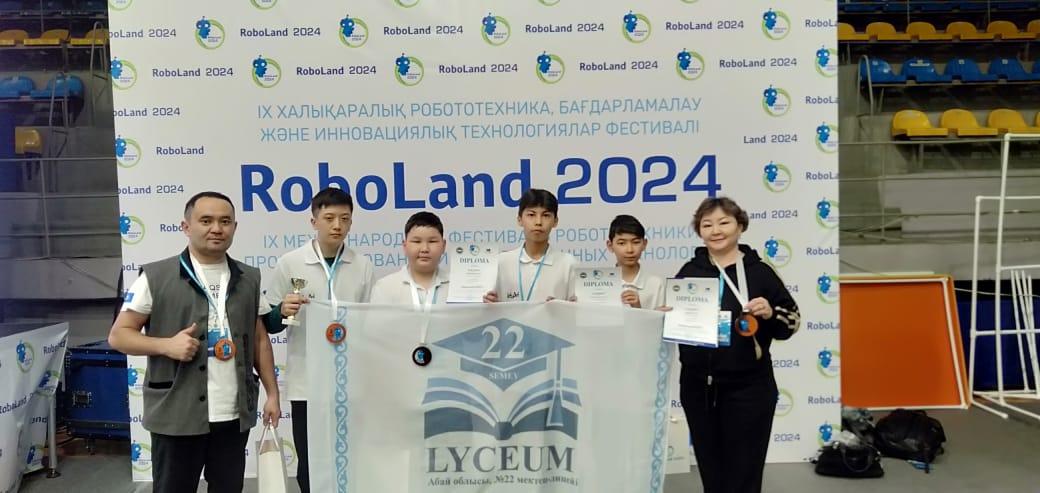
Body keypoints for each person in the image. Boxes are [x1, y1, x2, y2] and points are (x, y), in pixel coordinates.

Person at [109, 191, 280, 493]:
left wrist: (273, 394)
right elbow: (119, 335)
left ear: (235, 227)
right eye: (206, 220)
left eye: (225, 221)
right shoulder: (156, 276)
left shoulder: (249, 278)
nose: (217, 228)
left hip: (233, 414)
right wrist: (165, 345)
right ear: (186, 227)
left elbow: (259, 339)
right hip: (176, 414)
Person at [673, 197, 800, 493]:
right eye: (707, 225)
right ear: (699, 231)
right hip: (699, 388)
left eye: (724, 222)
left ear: (740, 226)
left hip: (749, 388)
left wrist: (770, 313)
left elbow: (792, 321)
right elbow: (675, 324)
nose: (716, 230)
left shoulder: (760, 273)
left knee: (744, 471)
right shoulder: (690, 272)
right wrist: (667, 315)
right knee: (711, 470)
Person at [264, 187, 373, 493]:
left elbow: (371, 324)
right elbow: (269, 323)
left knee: (351, 459)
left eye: (345, 219)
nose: (337, 225)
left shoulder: (362, 265)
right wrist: (282, 311)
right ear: (313, 221)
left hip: (350, 383)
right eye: (329, 218)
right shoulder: (290, 263)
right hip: (306, 383)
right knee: (310, 462)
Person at [484, 188, 575, 303]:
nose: (538, 222)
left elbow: (578, 310)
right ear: (519, 220)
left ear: (555, 221)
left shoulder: (568, 264)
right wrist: (489, 304)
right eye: (531, 215)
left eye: (546, 215)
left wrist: (562, 308)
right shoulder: (501, 262)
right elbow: (487, 305)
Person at [371, 211, 449, 305]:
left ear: (443, 246)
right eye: (417, 242)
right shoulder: (385, 287)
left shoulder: (456, 286)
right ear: (405, 246)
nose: (425, 249)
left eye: (432, 241)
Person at [606, 214, 664, 309]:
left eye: (636, 242)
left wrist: (638, 309)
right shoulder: (601, 285)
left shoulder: (656, 284)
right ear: (610, 245)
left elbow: (661, 318)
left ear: (644, 244)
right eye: (622, 243)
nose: (630, 250)